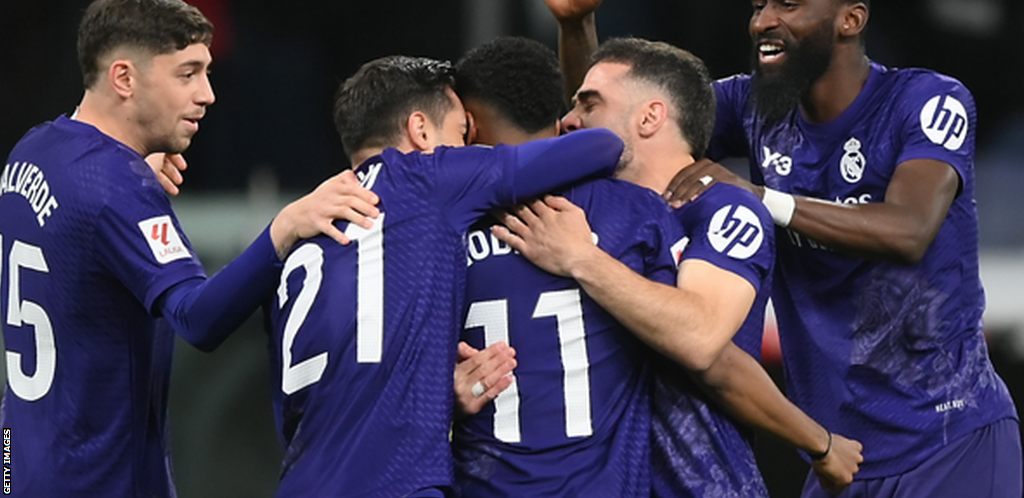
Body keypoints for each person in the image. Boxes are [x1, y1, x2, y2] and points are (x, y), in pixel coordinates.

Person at [539, 0, 1022, 497]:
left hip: (949, 435)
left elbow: (908, 230)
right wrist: (577, 27)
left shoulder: (926, 101)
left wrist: (762, 198)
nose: (763, 20)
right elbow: (621, 129)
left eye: (787, 4)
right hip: (841, 454)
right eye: (759, 5)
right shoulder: (753, 106)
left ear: (850, 20)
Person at [0, 0, 378, 497]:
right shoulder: (117, 190)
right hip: (99, 481)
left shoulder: (32, 150)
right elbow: (197, 318)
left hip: (17, 466)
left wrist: (132, 178)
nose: (207, 94)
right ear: (124, 78)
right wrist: (283, 229)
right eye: (187, 74)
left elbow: (80, 244)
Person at [489, 35, 860, 497]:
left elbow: (701, 338)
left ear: (650, 116)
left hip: (702, 485)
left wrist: (582, 259)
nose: (567, 121)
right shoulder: (584, 213)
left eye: (588, 103)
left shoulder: (723, 209)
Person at [262, 53, 625, 497]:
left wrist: (431, 389)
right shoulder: (428, 180)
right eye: (462, 134)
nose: (467, 148)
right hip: (397, 483)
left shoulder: (301, 233)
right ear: (420, 131)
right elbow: (604, 144)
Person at [448, 35, 680, 497]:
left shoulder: (439, 231)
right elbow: (688, 347)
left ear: (468, 127)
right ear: (559, 125)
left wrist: (442, 397)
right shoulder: (638, 212)